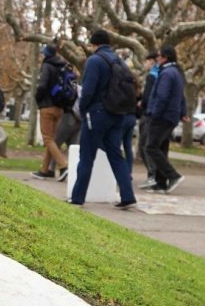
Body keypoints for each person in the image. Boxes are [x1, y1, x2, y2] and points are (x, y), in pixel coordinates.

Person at [68, 30, 137, 210]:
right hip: (118, 114)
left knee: (87, 155)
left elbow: (88, 90)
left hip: (97, 114)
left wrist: (83, 109)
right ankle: (127, 195)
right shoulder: (120, 61)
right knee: (116, 155)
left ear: (94, 44)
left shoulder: (95, 61)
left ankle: (77, 197)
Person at [144, 46, 186, 193]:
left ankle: (173, 175)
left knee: (151, 147)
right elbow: (181, 96)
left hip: (162, 116)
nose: (157, 59)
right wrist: (182, 112)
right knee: (161, 147)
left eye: (159, 56)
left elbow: (162, 96)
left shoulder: (167, 73)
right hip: (171, 115)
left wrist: (154, 113)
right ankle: (160, 183)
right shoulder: (176, 72)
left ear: (166, 58)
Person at [31, 44, 71, 181]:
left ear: (47, 54)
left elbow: (42, 85)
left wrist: (38, 99)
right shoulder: (62, 65)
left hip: (47, 106)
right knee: (51, 140)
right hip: (59, 107)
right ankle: (45, 170)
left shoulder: (47, 66)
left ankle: (64, 165)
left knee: (47, 139)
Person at [137, 53, 160, 188]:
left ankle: (152, 175)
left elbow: (147, 96)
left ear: (151, 62)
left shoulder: (152, 76)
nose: (144, 65)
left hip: (148, 114)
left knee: (144, 145)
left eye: (146, 62)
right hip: (156, 115)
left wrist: (142, 103)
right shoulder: (161, 74)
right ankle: (154, 175)